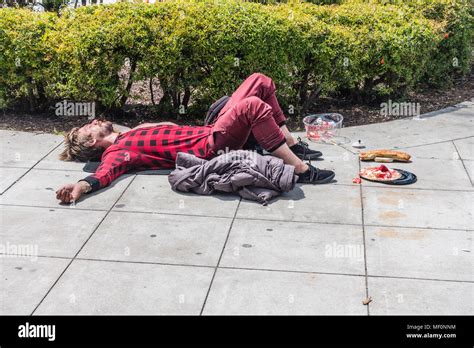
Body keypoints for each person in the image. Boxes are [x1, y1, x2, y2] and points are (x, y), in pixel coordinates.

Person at [56, 73, 335, 203]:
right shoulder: (117, 153)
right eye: (88, 128)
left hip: (209, 128)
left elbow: (167, 126)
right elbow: (104, 175)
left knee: (260, 81)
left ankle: (292, 146)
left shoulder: (134, 131)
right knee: (252, 106)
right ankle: (301, 169)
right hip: (212, 146)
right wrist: (81, 187)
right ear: (92, 142)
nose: (93, 122)